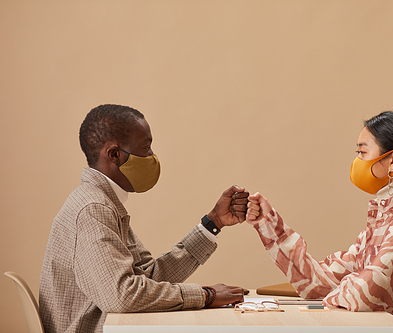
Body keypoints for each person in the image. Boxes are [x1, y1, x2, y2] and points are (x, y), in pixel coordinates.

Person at [39, 104, 248, 333]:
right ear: (115, 154)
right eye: (146, 148)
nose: (152, 157)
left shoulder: (104, 203)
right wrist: (206, 296)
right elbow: (122, 296)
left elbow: (150, 276)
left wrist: (214, 221)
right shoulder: (93, 209)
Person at [246, 111, 393, 333]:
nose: (356, 162)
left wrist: (347, 285)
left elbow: (361, 295)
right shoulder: (386, 216)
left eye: (362, 152)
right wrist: (269, 224)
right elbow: (321, 282)